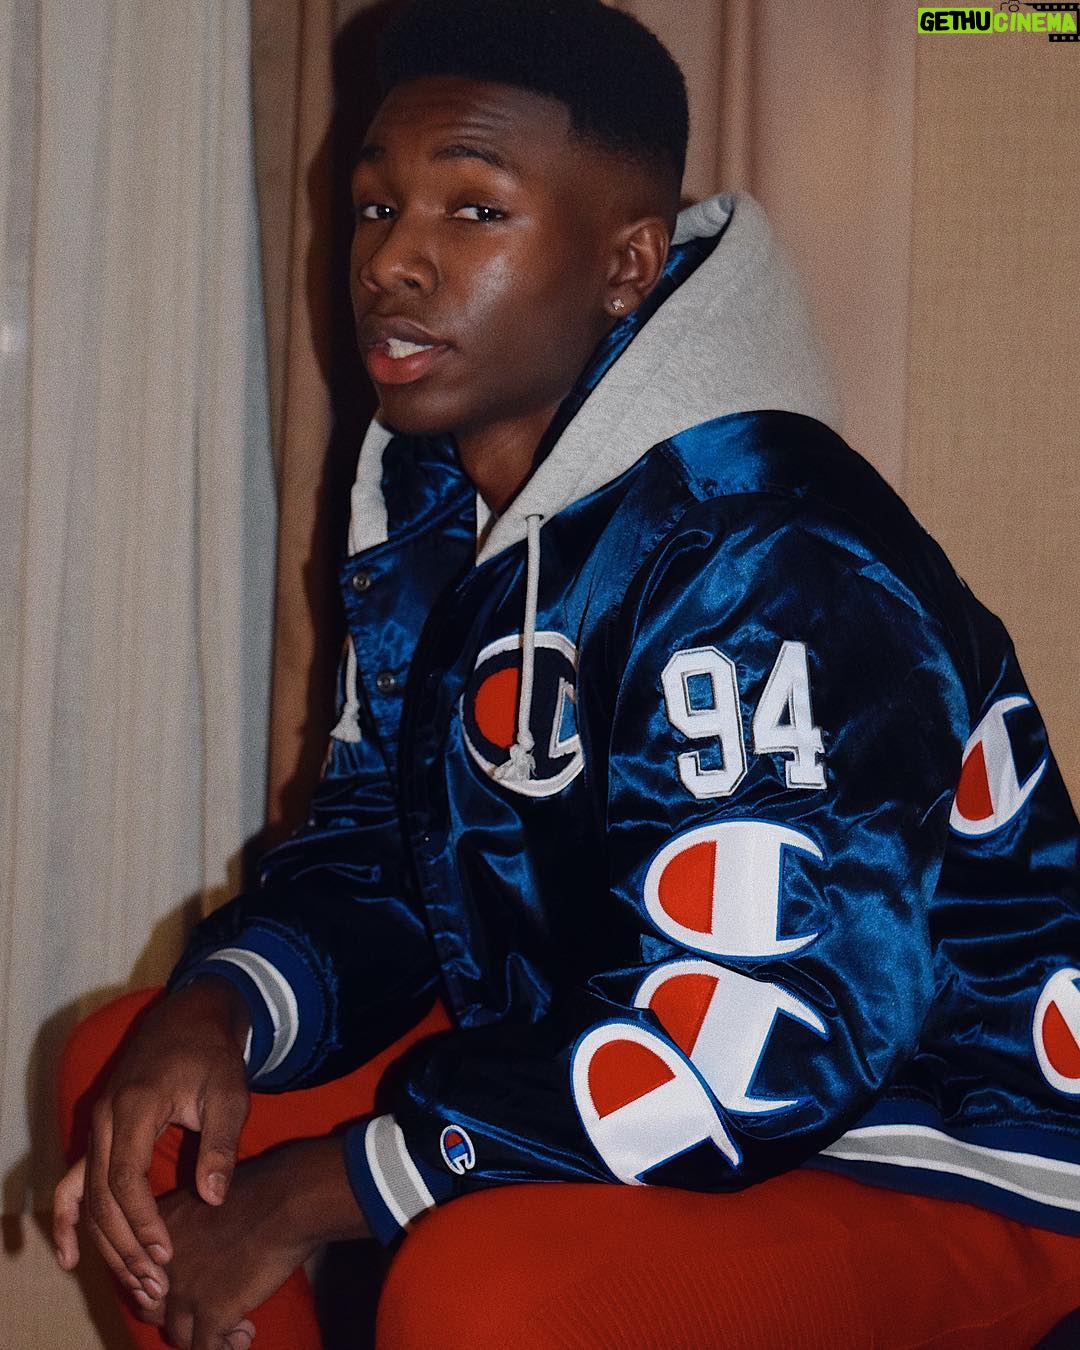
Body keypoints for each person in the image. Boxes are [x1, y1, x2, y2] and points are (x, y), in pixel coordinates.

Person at [53, 1, 1080, 1347]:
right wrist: (224, 999)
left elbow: (765, 1039)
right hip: (632, 1043)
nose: (392, 262)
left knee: (491, 1294)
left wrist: (318, 1190)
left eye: (475, 211)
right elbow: (389, 846)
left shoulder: (766, 549)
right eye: (374, 208)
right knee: (134, 1088)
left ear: (626, 264)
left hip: (938, 1140)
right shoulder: (436, 503)